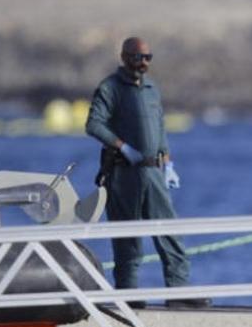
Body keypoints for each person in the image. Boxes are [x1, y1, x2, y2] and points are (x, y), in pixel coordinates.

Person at [86, 37, 210, 309]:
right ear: (124, 57)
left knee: (169, 231)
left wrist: (169, 162)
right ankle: (128, 295)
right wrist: (122, 146)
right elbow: (94, 124)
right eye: (137, 57)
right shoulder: (111, 88)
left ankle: (178, 291)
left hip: (154, 171)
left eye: (147, 58)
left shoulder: (153, 89)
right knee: (128, 237)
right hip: (125, 172)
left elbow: (160, 127)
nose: (142, 63)